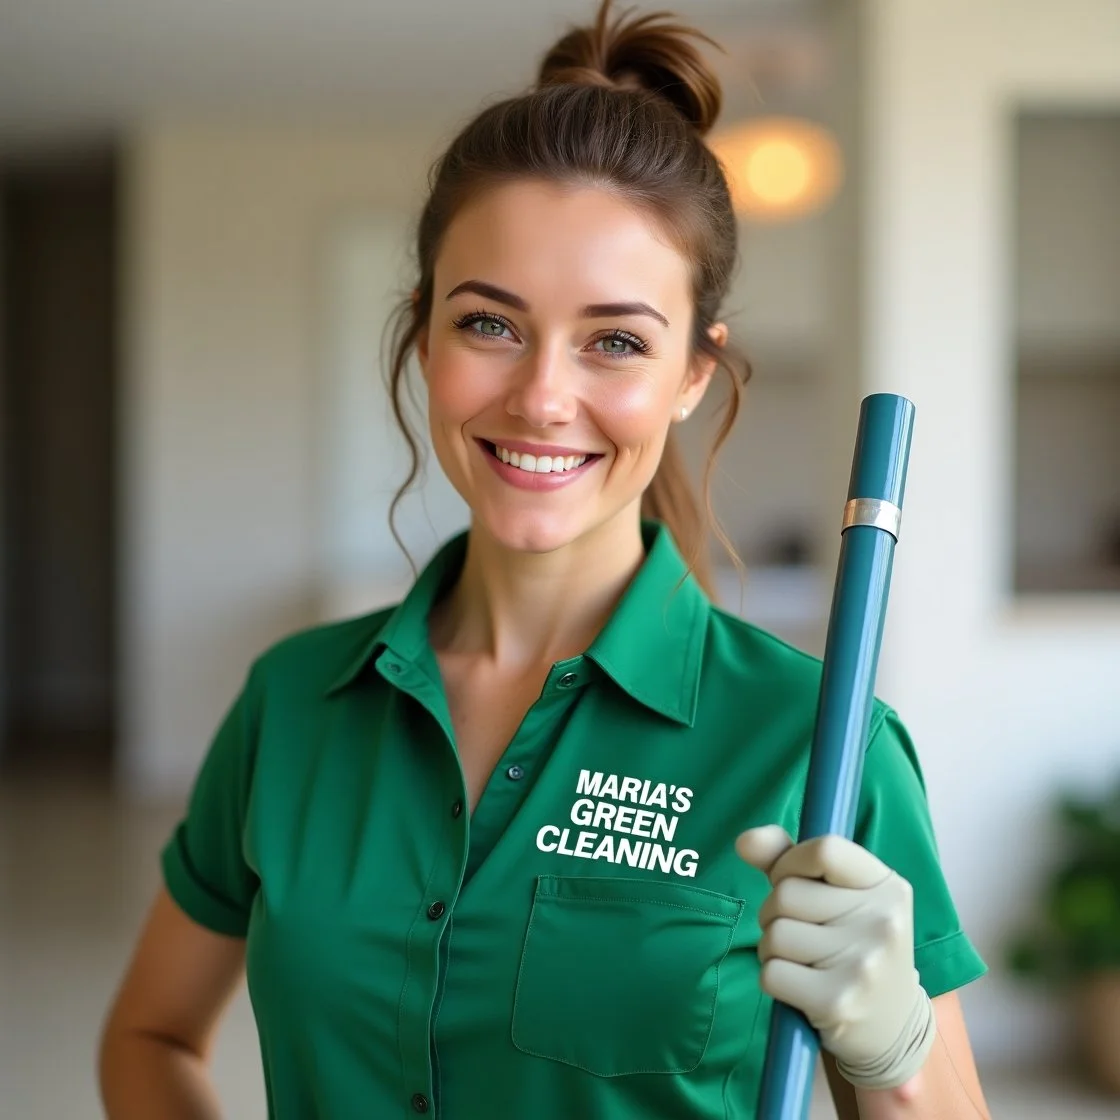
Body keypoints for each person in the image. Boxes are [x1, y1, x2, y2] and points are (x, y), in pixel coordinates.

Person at [98, 2, 992, 1117]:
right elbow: (148, 1033)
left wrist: (892, 1048)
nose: (541, 398)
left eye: (615, 340)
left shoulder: (817, 742)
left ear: (691, 376)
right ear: (423, 332)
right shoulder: (291, 704)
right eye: (490, 323)